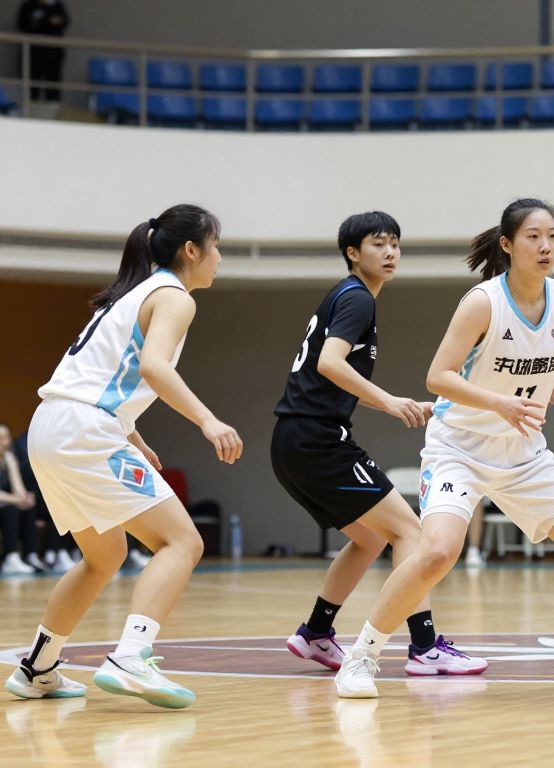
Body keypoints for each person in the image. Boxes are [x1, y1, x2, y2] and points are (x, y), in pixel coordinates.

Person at [332, 198, 554, 698]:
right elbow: (438, 377)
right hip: (459, 448)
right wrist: (500, 403)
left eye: (553, 236)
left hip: (523, 452)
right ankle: (362, 656)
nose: (546, 246)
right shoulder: (483, 302)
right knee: (436, 552)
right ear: (507, 244)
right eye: (533, 237)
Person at [4, 204, 243, 708]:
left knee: (104, 555)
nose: (219, 256)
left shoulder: (126, 295)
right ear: (191, 250)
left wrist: (131, 436)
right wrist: (207, 419)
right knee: (182, 542)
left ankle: (37, 668)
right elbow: (154, 367)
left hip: (51, 428)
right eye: (216, 245)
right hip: (85, 431)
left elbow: (102, 374)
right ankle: (131, 656)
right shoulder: (174, 297)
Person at [271, 211, 485, 678]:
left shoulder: (345, 298)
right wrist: (390, 402)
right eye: (377, 244)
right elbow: (330, 363)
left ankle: (315, 633)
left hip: (295, 440)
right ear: (353, 253)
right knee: (410, 532)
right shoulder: (357, 299)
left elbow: (332, 378)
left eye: (394, 244)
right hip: (317, 439)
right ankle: (425, 646)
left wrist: (404, 404)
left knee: (368, 538)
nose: (389, 252)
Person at [1, 422, 38, 574]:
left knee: (27, 507)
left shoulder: (9, 458)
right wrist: (17, 500)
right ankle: (10, 557)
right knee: (11, 509)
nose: (6, 441)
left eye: (7, 437)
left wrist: (25, 497)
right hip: (5, 505)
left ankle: (31, 555)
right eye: (1, 438)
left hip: (5, 503)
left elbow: (19, 490)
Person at [16, 0, 70, 102]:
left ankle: (52, 111)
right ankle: (29, 110)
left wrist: (44, 22)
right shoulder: (28, 5)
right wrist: (47, 22)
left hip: (53, 54)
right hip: (33, 53)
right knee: (31, 85)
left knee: (52, 86)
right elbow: (24, 25)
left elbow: (64, 21)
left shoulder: (57, 6)